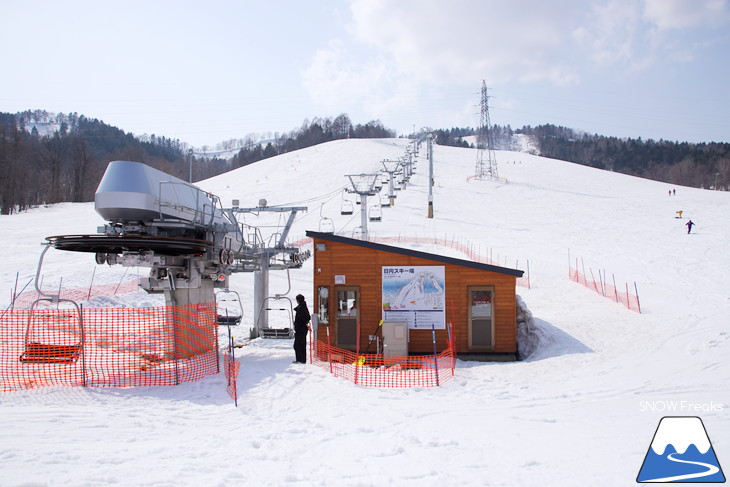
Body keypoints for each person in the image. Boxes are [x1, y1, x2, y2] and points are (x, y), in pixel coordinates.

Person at [293, 294, 311, 364]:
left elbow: (304, 318)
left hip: (300, 329)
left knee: (298, 345)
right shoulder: (304, 307)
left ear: (298, 300)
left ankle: (300, 359)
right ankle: (301, 359)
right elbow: (308, 317)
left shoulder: (301, 308)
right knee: (301, 344)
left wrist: (299, 324)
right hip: (302, 329)